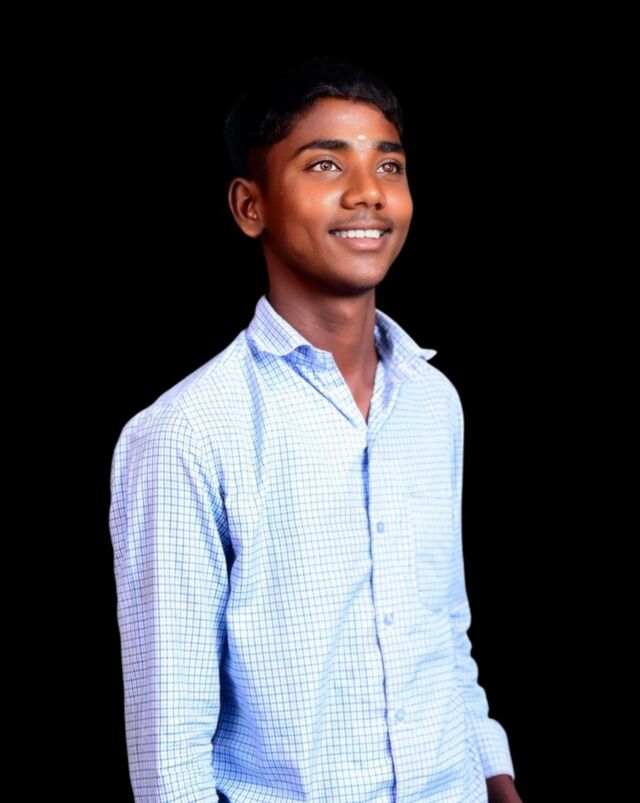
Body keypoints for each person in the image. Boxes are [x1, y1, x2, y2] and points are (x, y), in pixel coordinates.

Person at [109, 56, 523, 803]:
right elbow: (170, 748)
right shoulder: (185, 432)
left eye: (389, 165)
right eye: (326, 164)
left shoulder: (433, 401)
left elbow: (443, 627)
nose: (368, 192)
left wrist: (494, 770)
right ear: (250, 205)